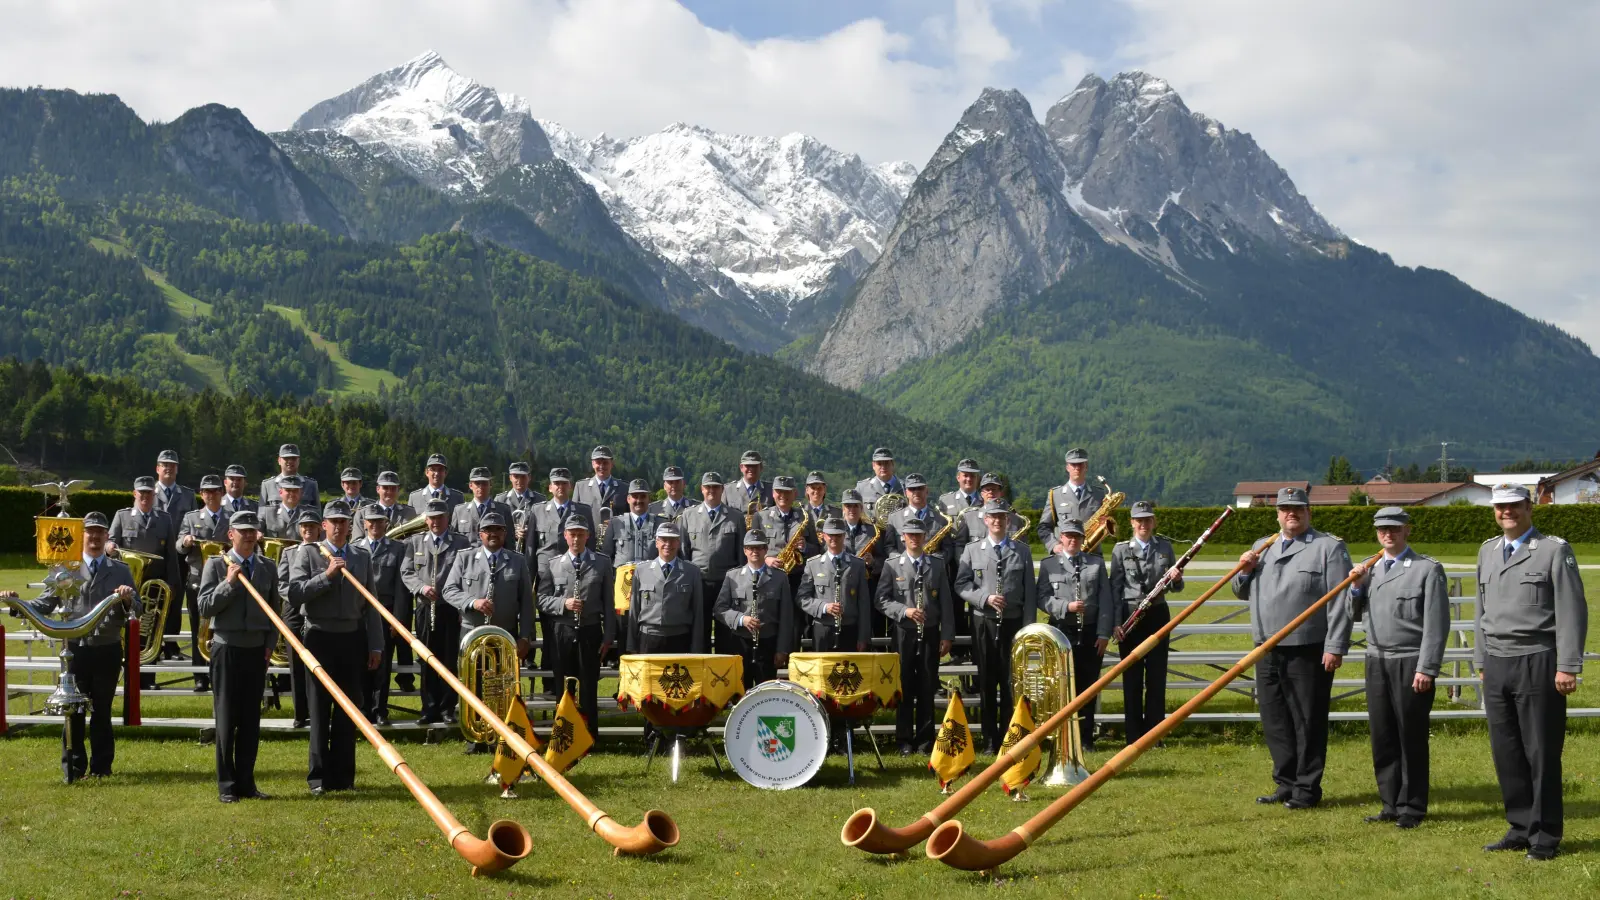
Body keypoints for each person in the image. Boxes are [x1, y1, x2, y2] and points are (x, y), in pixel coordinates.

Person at [1474, 483, 1587, 860]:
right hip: (1496, 661)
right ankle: (1520, 826)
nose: (1506, 512)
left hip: (1537, 659)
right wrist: (1480, 660)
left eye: (1514, 506)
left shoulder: (1553, 550)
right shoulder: (1488, 551)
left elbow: (1571, 610)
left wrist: (1568, 665)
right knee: (1506, 751)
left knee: (1541, 751)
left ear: (1529, 508)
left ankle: (1545, 836)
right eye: (1500, 507)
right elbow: (1481, 612)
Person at [1231, 486, 1353, 810]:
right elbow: (1241, 591)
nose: (1291, 514)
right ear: (1277, 514)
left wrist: (1336, 645)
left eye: (1298, 509)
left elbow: (1341, 601)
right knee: (1275, 718)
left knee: (1307, 720)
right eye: (1285, 509)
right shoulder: (1262, 547)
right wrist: (1244, 571)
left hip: (1307, 647)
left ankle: (1307, 788)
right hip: (1266, 646)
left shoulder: (1328, 548)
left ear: (1308, 512)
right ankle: (1285, 783)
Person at [4, 511, 136, 782]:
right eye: (90, 531)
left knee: (102, 710)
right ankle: (74, 769)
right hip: (74, 650)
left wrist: (126, 600)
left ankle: (101, 768)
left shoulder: (121, 570)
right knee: (72, 710)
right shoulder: (65, 568)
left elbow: (138, 608)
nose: (95, 536)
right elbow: (44, 603)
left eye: (100, 531)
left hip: (107, 647)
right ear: (82, 535)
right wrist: (17, 604)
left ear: (107, 536)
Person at [1345, 506, 1448, 830]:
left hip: (1410, 660)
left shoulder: (1426, 569)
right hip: (1376, 659)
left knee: (1410, 735)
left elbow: (1436, 624)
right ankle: (1389, 803)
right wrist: (1356, 587)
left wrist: (1426, 667)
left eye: (1394, 528)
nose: (1387, 534)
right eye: (1382, 529)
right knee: (1383, 735)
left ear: (1407, 530)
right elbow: (1353, 613)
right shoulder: (1370, 568)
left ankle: (1412, 807)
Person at [283, 501, 383, 794]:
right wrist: (326, 576)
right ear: (323, 525)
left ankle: (344, 778)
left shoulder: (361, 556)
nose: (338, 527)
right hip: (319, 637)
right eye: (333, 521)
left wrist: (376, 645)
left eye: (343, 521)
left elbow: (371, 604)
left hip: (352, 638)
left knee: (348, 710)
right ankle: (318, 779)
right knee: (319, 709)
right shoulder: (308, 553)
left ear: (350, 525)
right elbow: (294, 594)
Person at [197, 509, 278, 802]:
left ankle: (247, 783)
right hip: (227, 648)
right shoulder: (216, 565)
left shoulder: (267, 567)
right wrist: (228, 584)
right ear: (231, 534)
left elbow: (274, 610)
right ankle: (227, 786)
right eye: (242, 531)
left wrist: (269, 644)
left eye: (252, 531)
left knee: (250, 721)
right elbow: (205, 606)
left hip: (256, 650)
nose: (248, 536)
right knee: (226, 718)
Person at [443, 511, 536, 752]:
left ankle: (500, 735)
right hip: (472, 634)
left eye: (498, 529)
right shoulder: (464, 558)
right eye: (488, 530)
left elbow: (527, 603)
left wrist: (525, 636)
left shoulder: (517, 561)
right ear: (480, 534)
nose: (493, 534)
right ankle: (475, 737)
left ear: (505, 533)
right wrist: (472, 602)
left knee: (503, 687)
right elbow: (449, 590)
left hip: (505, 635)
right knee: (473, 685)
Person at [957, 500, 1038, 754]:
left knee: (1011, 682)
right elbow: (961, 584)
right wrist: (985, 598)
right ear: (985, 520)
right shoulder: (972, 550)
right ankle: (990, 741)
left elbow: (1030, 593)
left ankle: (1010, 739)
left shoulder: (1022, 551)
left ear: (1008, 520)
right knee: (987, 683)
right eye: (993, 517)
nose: (997, 521)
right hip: (984, 622)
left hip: (1013, 623)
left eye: (1002, 517)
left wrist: (1027, 630)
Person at [1108, 500, 1184, 746]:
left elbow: (1177, 587)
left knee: (1157, 676)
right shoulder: (1121, 550)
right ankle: (1133, 736)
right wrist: (1116, 623)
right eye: (1139, 520)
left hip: (1157, 613)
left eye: (1148, 519)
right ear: (1132, 523)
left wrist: (1176, 578)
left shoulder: (1165, 547)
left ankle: (1154, 735)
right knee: (1131, 676)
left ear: (1154, 522)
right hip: (1130, 615)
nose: (1144, 524)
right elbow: (1115, 588)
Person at [876, 518, 954, 754]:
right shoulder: (892, 565)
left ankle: (925, 740)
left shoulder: (936, 565)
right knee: (904, 686)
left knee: (927, 686)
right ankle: (904, 740)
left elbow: (946, 602)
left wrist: (947, 635)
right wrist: (904, 611)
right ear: (903, 537)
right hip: (903, 632)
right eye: (910, 534)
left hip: (930, 632)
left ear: (925, 537)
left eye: (918, 534)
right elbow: (881, 600)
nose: (914, 538)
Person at [1038, 518, 1112, 749]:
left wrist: (1103, 634)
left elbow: (1106, 601)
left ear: (1082, 539)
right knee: (1060, 685)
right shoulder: (1049, 564)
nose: (1072, 540)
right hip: (1061, 630)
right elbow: (1042, 598)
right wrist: (1065, 607)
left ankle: (1085, 739)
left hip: (1090, 632)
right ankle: (1061, 737)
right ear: (1061, 538)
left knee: (1088, 687)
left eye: (1077, 536)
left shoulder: (1096, 564)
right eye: (1068, 536)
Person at [536, 517, 615, 728]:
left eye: (581, 534)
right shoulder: (553, 564)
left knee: (589, 685)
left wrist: (608, 636)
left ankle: (589, 735)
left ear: (588, 536)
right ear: (565, 536)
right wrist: (564, 603)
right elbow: (541, 599)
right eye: (572, 534)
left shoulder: (602, 563)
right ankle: (564, 734)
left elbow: (609, 603)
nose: (576, 539)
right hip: (562, 631)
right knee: (563, 686)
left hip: (590, 630)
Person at [400, 499, 470, 725]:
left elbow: (466, 573)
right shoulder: (415, 541)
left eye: (440, 517)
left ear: (447, 518)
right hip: (425, 607)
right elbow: (407, 572)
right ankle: (429, 708)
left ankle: (448, 708)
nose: (435, 522)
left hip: (450, 608)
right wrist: (421, 588)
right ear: (426, 520)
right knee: (427, 659)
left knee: (449, 659)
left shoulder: (460, 542)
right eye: (431, 518)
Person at [529, 468, 596, 694]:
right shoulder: (537, 510)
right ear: (550, 487)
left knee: (573, 632)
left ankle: (573, 681)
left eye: (564, 483)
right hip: (547, 578)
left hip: (577, 575)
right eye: (556, 483)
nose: (560, 486)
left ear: (570, 486)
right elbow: (531, 548)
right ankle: (551, 683)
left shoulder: (583, 510)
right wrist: (529, 580)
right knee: (550, 632)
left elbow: (591, 545)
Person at [108, 475, 181, 661]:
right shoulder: (122, 516)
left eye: (149, 493)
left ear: (154, 495)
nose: (145, 496)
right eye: (142, 493)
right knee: (125, 628)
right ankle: (127, 670)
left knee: (150, 629)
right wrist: (109, 547)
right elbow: (110, 541)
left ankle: (149, 670)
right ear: (135, 493)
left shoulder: (164, 519)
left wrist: (173, 583)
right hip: (127, 585)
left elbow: (171, 555)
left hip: (154, 587)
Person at [715, 529, 796, 687]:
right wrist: (741, 619)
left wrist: (782, 649)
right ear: (744, 550)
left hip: (768, 644)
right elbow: (720, 609)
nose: (755, 551)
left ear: (766, 550)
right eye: (751, 548)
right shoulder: (732, 576)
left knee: (766, 691)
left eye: (759, 547)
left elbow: (786, 616)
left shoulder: (780, 577)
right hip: (740, 644)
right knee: (740, 691)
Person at [678, 471, 745, 653]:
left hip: (727, 583)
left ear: (722, 489)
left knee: (726, 630)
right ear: (702, 489)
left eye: (715, 487)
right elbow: (684, 552)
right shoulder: (688, 515)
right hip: (699, 581)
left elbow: (741, 554)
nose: (711, 491)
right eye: (708, 487)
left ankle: (724, 665)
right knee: (700, 629)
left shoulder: (736, 517)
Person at [355, 505, 408, 724]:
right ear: (364, 524)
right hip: (359, 613)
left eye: (379, 521)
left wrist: (397, 619)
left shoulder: (398, 548)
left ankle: (379, 710)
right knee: (361, 661)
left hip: (386, 613)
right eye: (371, 521)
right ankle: (363, 709)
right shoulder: (355, 548)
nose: (375, 525)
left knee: (382, 664)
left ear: (386, 523)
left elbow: (401, 588)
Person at [178, 474, 231, 691]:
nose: (211, 495)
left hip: (224, 581)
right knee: (198, 630)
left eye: (215, 491)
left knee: (221, 629)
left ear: (222, 493)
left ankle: (219, 672)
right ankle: (200, 676)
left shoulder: (231, 517)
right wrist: (185, 541)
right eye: (207, 491)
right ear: (201, 494)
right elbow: (179, 546)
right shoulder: (191, 518)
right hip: (197, 581)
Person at [602, 480, 664, 656]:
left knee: (647, 630)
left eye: (643, 496)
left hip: (652, 589)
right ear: (628, 499)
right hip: (624, 590)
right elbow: (607, 557)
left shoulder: (660, 523)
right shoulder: (615, 523)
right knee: (623, 631)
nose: (639, 500)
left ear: (649, 499)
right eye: (635, 496)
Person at [275, 507, 325, 728]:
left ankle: (317, 711)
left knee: (317, 662)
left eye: (312, 526)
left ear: (319, 529)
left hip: (318, 611)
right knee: (296, 664)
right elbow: (282, 584)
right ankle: (300, 713)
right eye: (304, 526)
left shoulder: (325, 551)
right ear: (299, 529)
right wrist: (298, 597)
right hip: (294, 611)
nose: (308, 530)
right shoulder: (289, 552)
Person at [627, 522, 706, 654]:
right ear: (656, 543)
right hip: (649, 637)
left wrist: (696, 647)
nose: (668, 544)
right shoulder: (641, 570)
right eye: (664, 539)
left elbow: (698, 612)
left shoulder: (692, 571)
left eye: (672, 540)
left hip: (679, 638)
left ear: (678, 543)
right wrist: (631, 645)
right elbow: (634, 610)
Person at [796, 517, 870, 652]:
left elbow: (864, 603)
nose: (834, 538)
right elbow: (802, 598)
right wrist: (824, 607)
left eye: (838, 535)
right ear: (824, 536)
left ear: (844, 536)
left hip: (849, 629)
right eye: (830, 535)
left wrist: (863, 637)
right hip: (822, 628)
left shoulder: (857, 564)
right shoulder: (813, 564)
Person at [1037, 447, 1109, 547]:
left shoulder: (1099, 494)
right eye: (1073, 464)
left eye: (1080, 464)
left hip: (1092, 552)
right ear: (1067, 467)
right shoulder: (1055, 494)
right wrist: (1053, 546)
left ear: (1086, 467)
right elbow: (1044, 527)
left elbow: (1106, 524)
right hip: (1064, 552)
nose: (1077, 468)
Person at [756, 475, 814, 591]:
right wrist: (765, 559)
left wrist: (805, 547)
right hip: (768, 576)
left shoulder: (805, 516)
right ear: (773, 493)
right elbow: (751, 548)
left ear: (795, 493)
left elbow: (817, 549)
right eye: (779, 491)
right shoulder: (760, 517)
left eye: (787, 492)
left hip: (798, 578)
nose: (783, 495)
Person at [451, 467, 514, 543]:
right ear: (470, 485)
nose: (481, 487)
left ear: (490, 484)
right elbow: (453, 540)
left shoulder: (503, 510)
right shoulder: (459, 511)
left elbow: (510, 541)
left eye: (484, 483)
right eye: (477, 483)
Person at [497, 461, 546, 555]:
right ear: (510, 478)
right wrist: (512, 532)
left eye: (523, 477)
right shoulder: (500, 499)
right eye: (516, 476)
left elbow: (544, 527)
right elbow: (496, 526)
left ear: (529, 477)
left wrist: (530, 531)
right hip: (506, 550)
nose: (519, 480)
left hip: (531, 550)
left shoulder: (540, 499)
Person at [574, 445, 627, 520]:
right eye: (598, 462)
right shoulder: (581, 487)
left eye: (605, 463)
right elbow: (574, 516)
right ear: (593, 464)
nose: (601, 466)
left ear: (612, 464)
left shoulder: (624, 488)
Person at [261, 444, 320, 509]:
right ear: (279, 460)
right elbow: (262, 513)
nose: (290, 461)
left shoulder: (310, 485)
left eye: (293, 458)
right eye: (286, 458)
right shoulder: (268, 485)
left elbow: (317, 513)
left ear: (298, 461)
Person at [152, 449, 196, 522]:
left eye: (172, 466)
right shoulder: (148, 493)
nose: (169, 468)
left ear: (177, 469)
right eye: (165, 465)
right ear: (157, 469)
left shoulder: (188, 495)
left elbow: (194, 522)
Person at [731, 450, 774, 517]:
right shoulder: (728, 490)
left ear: (761, 467)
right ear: (741, 467)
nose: (751, 469)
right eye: (748, 466)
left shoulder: (771, 490)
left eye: (754, 466)